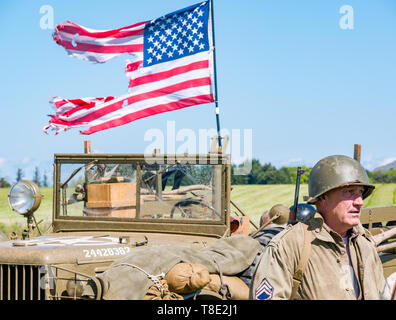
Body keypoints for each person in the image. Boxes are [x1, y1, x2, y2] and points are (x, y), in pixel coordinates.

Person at [251, 155, 386, 300]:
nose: (359, 201)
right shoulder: (289, 246)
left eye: (360, 193)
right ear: (323, 198)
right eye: (350, 192)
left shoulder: (366, 248)